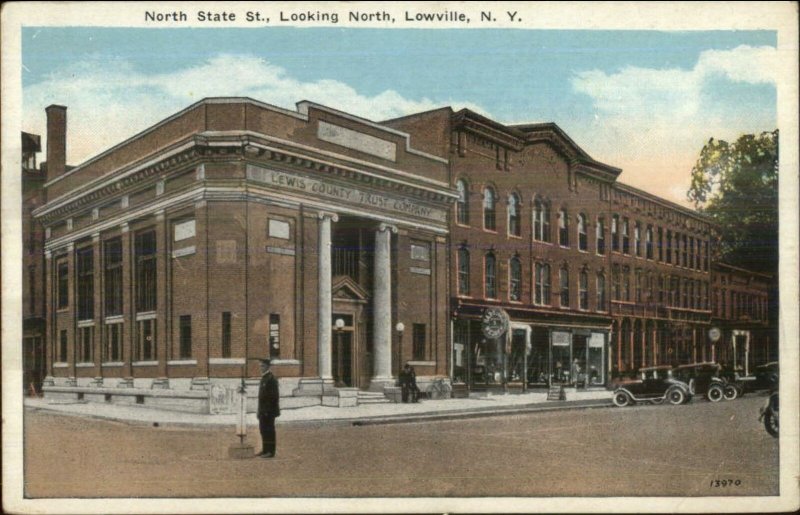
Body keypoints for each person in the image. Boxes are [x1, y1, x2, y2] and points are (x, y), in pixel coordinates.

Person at [257, 358, 280, 458]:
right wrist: (260, 411)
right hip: (263, 410)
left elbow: (274, 397)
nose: (260, 368)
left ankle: (270, 451)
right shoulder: (264, 378)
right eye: (260, 366)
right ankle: (265, 449)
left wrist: (267, 410)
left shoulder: (271, 379)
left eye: (262, 366)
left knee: (269, 430)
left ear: (267, 366)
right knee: (263, 430)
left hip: (269, 411)